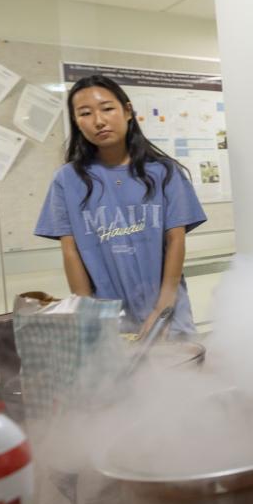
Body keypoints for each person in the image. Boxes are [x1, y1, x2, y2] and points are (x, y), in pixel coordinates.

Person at [35, 75, 206, 337]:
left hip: (168, 313)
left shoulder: (165, 172)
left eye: (107, 108)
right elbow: (71, 251)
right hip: (107, 319)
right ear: (76, 122)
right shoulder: (67, 180)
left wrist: (162, 311)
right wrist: (88, 315)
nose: (98, 121)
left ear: (127, 111)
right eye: (85, 113)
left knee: (177, 362)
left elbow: (176, 241)